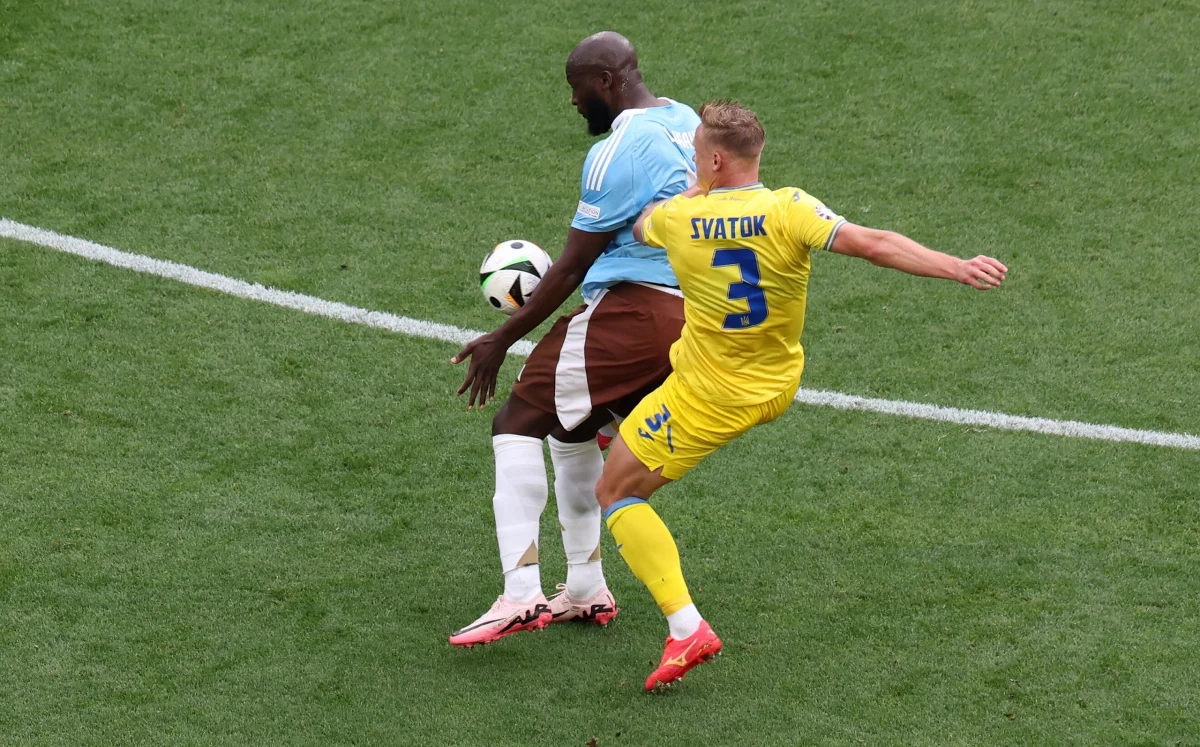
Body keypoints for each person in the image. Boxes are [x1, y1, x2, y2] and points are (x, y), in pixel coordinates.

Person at [594, 100, 1008, 690]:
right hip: (777, 380)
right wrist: (957, 266)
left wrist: (690, 194)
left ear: (713, 158)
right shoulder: (789, 208)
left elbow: (638, 225)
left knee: (614, 491)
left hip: (710, 395)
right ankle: (621, 426)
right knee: (645, 395)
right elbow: (873, 241)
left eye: (695, 153)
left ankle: (686, 627)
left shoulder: (680, 222)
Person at [447, 33, 702, 647]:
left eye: (577, 87)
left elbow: (568, 268)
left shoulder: (619, 151)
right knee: (572, 428)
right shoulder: (684, 122)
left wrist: (500, 338)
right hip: (691, 315)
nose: (573, 102)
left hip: (634, 314)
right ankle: (585, 587)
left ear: (607, 81)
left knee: (516, 421)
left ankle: (520, 592)